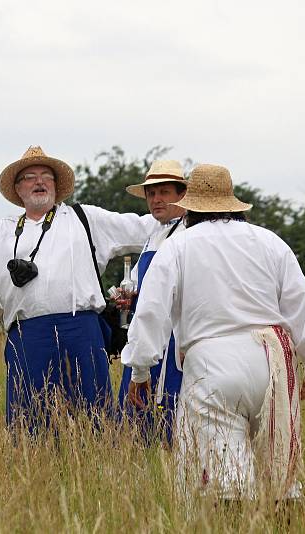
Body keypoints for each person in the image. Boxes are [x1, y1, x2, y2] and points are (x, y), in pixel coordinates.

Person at [122, 164, 305, 499]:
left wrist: (139, 370)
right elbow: (302, 305)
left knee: (225, 483)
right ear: (233, 204)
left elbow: (151, 311)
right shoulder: (270, 241)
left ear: (189, 206)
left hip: (212, 362)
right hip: (273, 362)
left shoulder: (177, 246)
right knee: (279, 477)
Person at [0, 146, 158, 430]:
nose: (39, 181)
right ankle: (35, 472)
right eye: (30, 177)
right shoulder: (1, 232)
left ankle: (97, 467)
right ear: (18, 189)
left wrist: (182, 210)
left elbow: (142, 228)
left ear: (56, 185)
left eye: (46, 176)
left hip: (82, 330)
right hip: (28, 336)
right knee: (28, 423)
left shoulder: (84, 219)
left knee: (96, 419)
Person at [115, 160, 187, 442]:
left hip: (172, 338)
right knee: (135, 422)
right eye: (151, 194)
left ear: (182, 195)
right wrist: (129, 297)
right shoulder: (154, 234)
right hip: (144, 334)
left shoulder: (187, 234)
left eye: (164, 192)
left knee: (168, 414)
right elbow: (138, 283)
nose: (156, 200)